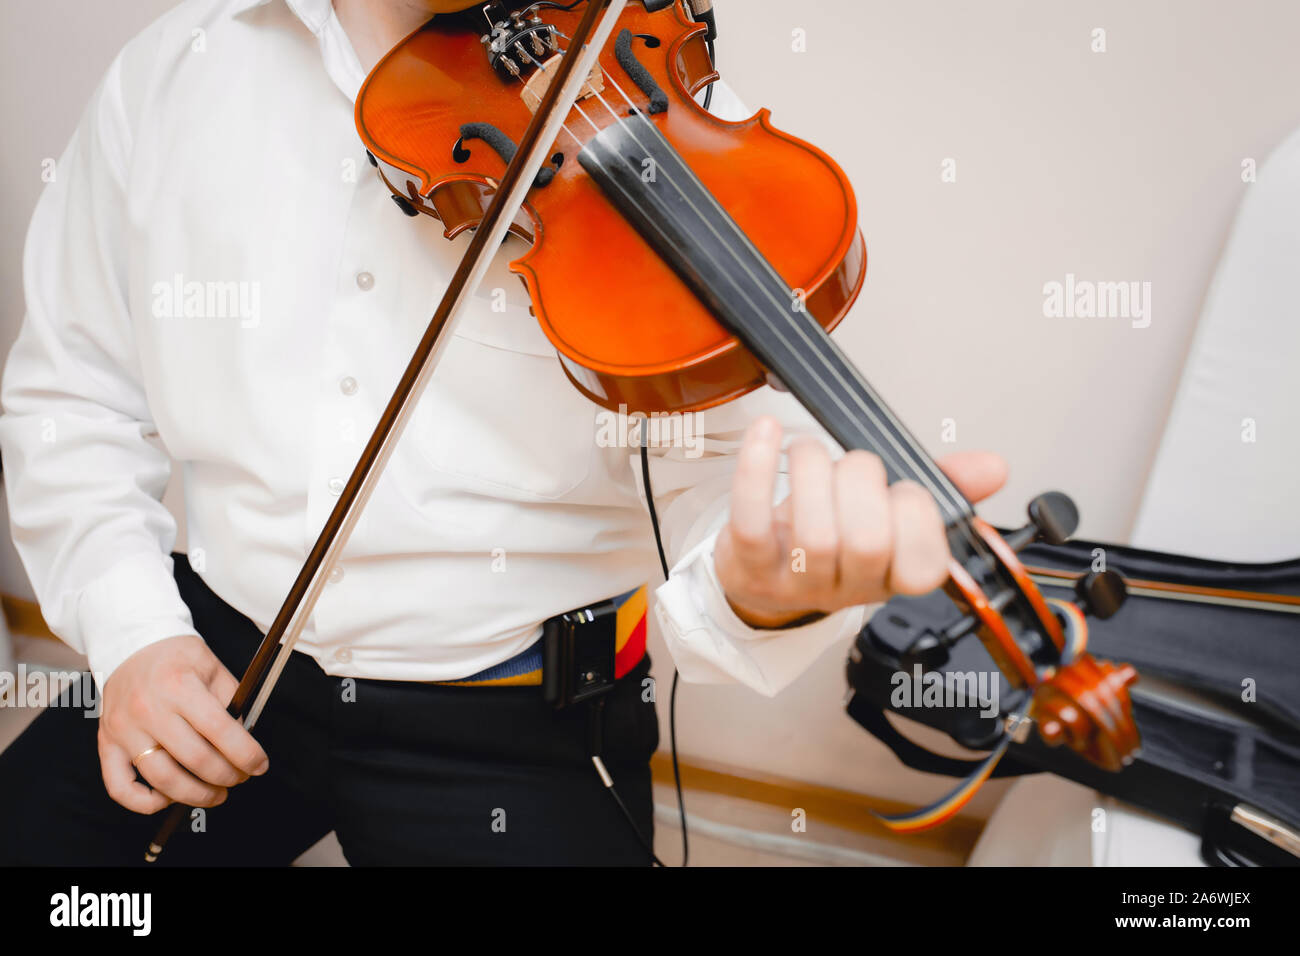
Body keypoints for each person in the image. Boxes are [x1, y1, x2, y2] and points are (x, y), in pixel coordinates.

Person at [0, 0, 1005, 865]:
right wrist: (133, 632)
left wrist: (760, 595)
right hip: (213, 651)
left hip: (517, 715)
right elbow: (74, 394)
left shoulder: (681, 127)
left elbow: (732, 514)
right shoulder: (178, 70)